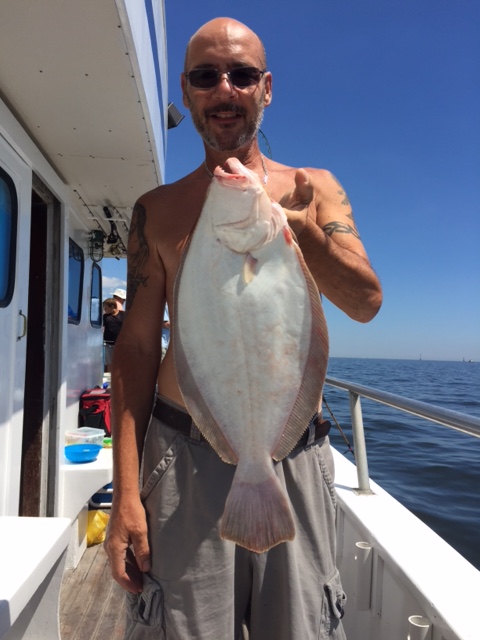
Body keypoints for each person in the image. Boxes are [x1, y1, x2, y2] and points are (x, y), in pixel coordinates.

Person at [105, 17, 382, 640]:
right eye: (206, 76)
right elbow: (138, 349)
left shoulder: (315, 191)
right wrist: (125, 492)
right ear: (187, 88)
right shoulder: (157, 210)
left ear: (267, 88)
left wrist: (305, 234)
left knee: (303, 627)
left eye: (242, 75)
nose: (224, 88)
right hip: (182, 458)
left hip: (292, 450)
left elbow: (365, 302)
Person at [102, 298, 125, 373]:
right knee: (109, 364)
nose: (105, 310)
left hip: (121, 344)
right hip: (109, 343)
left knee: (121, 363)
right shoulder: (105, 317)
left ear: (112, 307)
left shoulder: (123, 315)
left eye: (106, 308)